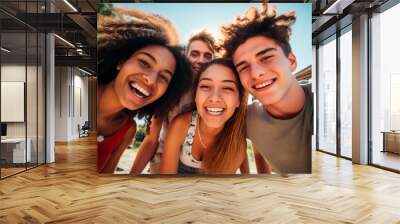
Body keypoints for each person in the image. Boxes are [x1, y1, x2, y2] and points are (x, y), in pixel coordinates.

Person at [220, 3, 313, 174]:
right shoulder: (247, 119)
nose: (256, 73)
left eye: (267, 57)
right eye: (243, 67)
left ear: (291, 61)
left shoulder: (320, 101)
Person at [97, 8, 192, 173]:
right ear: (122, 61)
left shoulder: (127, 129)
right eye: (145, 63)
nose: (151, 79)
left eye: (163, 77)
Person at [131, 30, 218, 174]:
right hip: (163, 159)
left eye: (207, 56)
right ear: (186, 56)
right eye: (195, 54)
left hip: (201, 166)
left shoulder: (216, 93)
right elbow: (152, 139)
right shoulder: (172, 87)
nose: (201, 60)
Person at [160, 59, 249, 174]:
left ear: (238, 100)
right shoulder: (181, 125)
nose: (214, 98)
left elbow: (219, 190)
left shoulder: (237, 146)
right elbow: (166, 180)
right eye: (206, 86)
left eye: (227, 88)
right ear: (196, 95)